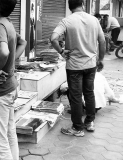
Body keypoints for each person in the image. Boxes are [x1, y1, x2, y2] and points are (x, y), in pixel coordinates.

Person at [50, 0, 105, 137]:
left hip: (74, 66)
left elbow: (53, 38)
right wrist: (101, 59)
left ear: (69, 7)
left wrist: (61, 52)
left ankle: (77, 128)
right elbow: (102, 41)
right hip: (91, 64)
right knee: (89, 92)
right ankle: (90, 122)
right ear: (83, 5)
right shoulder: (93, 20)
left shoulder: (67, 21)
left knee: (75, 96)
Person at [0, 0, 27, 159]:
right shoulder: (8, 24)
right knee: (10, 132)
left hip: (1, 91)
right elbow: (22, 43)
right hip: (10, 87)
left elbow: (3, 52)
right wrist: (10, 63)